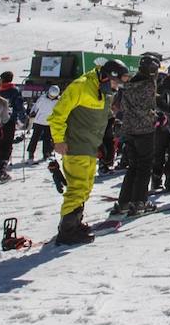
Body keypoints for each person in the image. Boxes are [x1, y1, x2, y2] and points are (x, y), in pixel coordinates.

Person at [49, 59, 130, 245]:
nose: (116, 87)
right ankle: (67, 231)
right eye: (115, 83)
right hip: (76, 145)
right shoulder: (81, 86)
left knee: (85, 187)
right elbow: (58, 114)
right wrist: (58, 140)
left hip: (91, 146)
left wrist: (105, 143)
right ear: (106, 77)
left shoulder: (105, 92)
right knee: (77, 187)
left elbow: (104, 118)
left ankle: (74, 222)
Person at [111, 52, 163, 217]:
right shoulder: (148, 84)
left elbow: (123, 106)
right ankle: (139, 201)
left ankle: (124, 202)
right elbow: (145, 108)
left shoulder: (130, 83)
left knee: (133, 166)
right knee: (144, 166)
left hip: (129, 129)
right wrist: (157, 117)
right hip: (144, 130)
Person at [0, 71, 28, 182]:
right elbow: (19, 106)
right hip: (9, 121)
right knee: (6, 145)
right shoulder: (14, 91)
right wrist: (23, 118)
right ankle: (1, 170)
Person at [26, 85, 59, 161]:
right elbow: (36, 107)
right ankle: (31, 153)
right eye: (50, 96)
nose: (51, 98)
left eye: (53, 96)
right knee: (35, 137)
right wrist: (32, 113)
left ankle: (46, 153)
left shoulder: (58, 101)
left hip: (50, 122)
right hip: (39, 121)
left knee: (48, 138)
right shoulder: (42, 98)